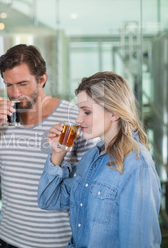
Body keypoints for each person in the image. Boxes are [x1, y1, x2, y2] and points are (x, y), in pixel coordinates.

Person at [0, 44, 97, 248]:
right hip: (9, 240)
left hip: (59, 242)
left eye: (22, 83)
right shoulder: (2, 120)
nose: (15, 93)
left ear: (42, 79)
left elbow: (93, 186)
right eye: (9, 85)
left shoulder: (73, 117)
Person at [38, 71, 161, 247]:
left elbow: (139, 242)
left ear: (114, 113)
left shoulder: (137, 165)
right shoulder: (91, 157)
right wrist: (58, 154)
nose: (78, 119)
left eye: (86, 111)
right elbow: (48, 200)